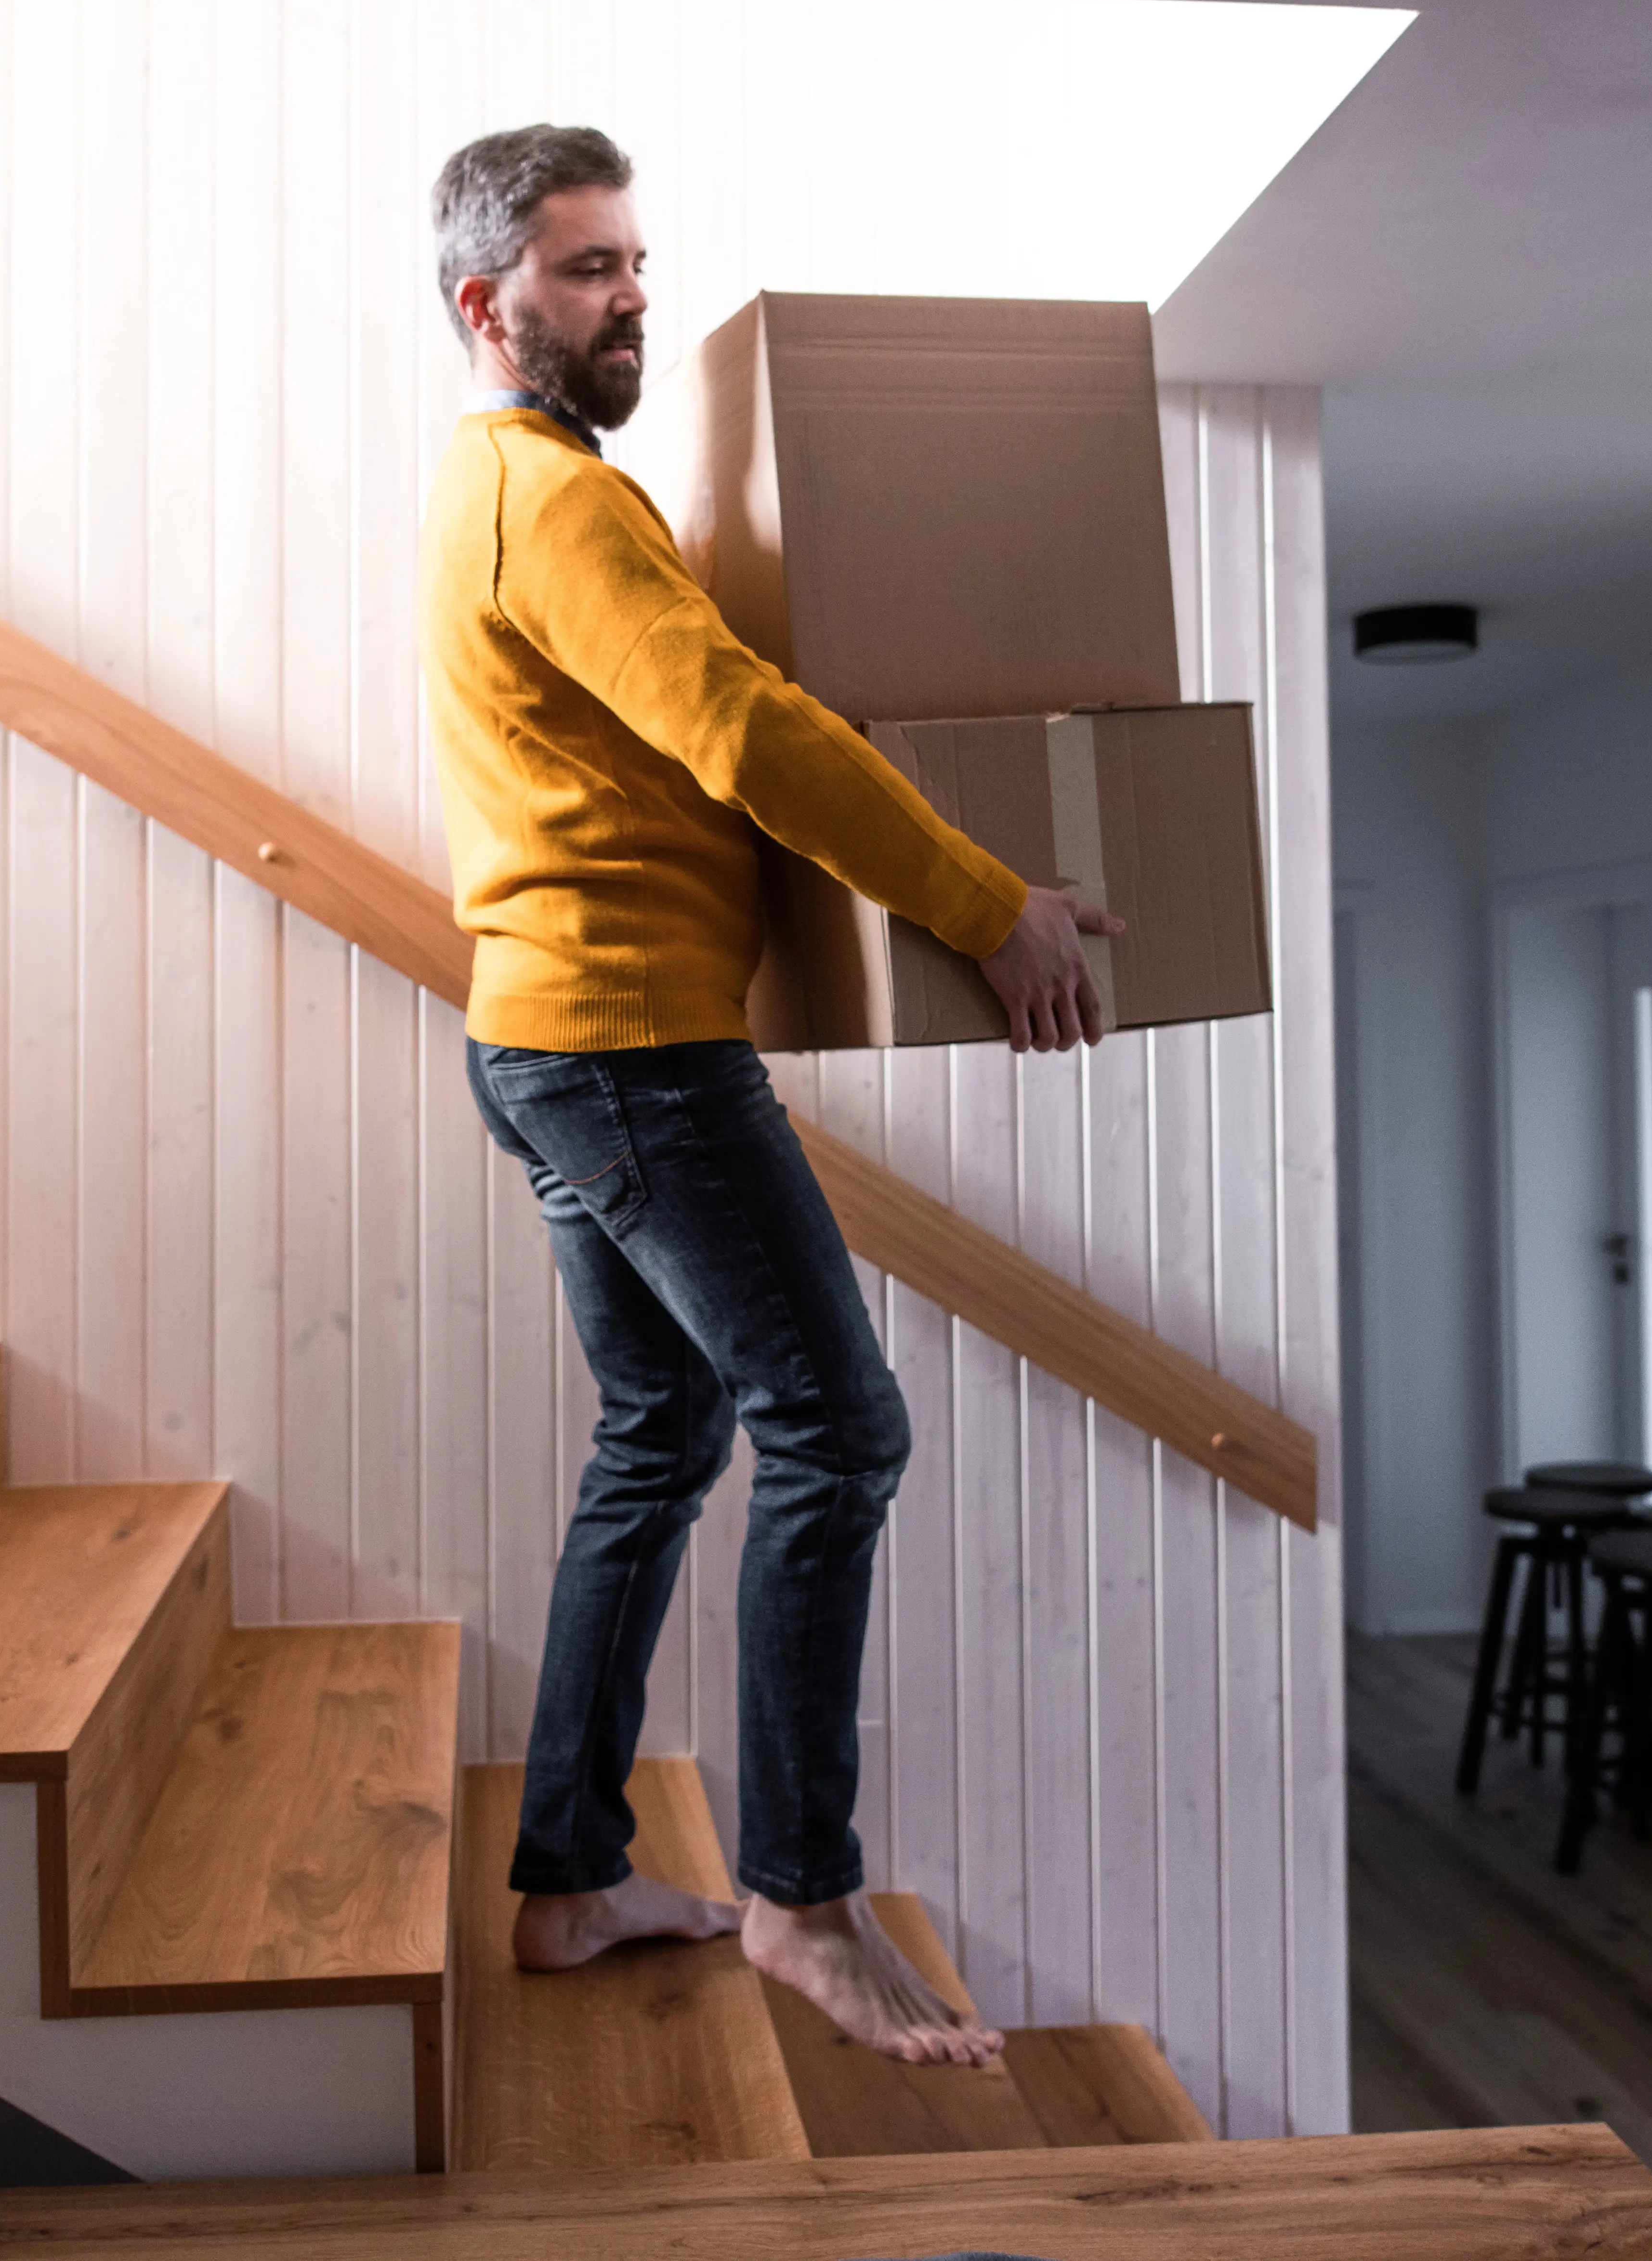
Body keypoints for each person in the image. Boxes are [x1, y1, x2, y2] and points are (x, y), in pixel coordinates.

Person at [420, 125, 1122, 2067]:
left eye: (634, 261)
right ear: (486, 305)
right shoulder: (554, 503)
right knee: (840, 1431)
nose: (627, 293)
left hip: (550, 1041)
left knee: (663, 1431)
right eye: (583, 270)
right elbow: (741, 726)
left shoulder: (493, 498)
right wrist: (995, 910)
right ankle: (801, 1901)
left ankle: (570, 1878)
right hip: (630, 1048)